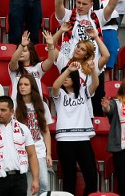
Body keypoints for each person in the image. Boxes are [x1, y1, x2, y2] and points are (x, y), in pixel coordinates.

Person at [0, 96, 40, 196]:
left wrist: (35, 179)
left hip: (19, 178)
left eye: (3, 110)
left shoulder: (23, 129)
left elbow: (32, 155)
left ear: (12, 111)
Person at [52, 61, 100, 195]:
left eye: (69, 76)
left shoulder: (84, 91)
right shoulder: (59, 94)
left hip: (83, 138)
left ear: (75, 78)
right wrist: (68, 70)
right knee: (69, 178)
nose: (65, 79)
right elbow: (55, 86)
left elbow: (95, 84)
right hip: (64, 140)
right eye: (64, 76)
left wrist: (92, 70)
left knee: (91, 176)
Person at [15, 74, 54, 193]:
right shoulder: (15, 106)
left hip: (39, 149)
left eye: (26, 84)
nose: (22, 87)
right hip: (20, 150)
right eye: (20, 84)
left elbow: (46, 131)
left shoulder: (42, 106)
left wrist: (49, 154)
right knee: (23, 186)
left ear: (32, 87)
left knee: (43, 184)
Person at [9, 30, 57, 101]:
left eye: (24, 51)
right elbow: (13, 60)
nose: (21, 53)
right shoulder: (15, 68)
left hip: (35, 106)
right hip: (17, 106)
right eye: (19, 51)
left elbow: (51, 60)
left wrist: (50, 45)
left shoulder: (38, 67)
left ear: (31, 53)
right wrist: (22, 46)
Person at [100, 78, 125, 196]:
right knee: (123, 183)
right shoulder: (117, 102)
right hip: (121, 150)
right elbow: (109, 110)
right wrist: (106, 107)